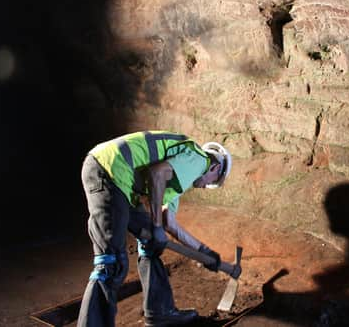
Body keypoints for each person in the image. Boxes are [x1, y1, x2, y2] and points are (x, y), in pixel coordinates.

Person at [77, 130, 235, 327]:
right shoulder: (198, 160)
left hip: (121, 181)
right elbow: (156, 173)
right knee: (111, 263)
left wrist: (206, 253)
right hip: (109, 171)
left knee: (151, 242)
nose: (205, 187)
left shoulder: (179, 173)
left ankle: (160, 313)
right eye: (213, 182)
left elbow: (170, 224)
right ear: (216, 167)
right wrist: (157, 225)